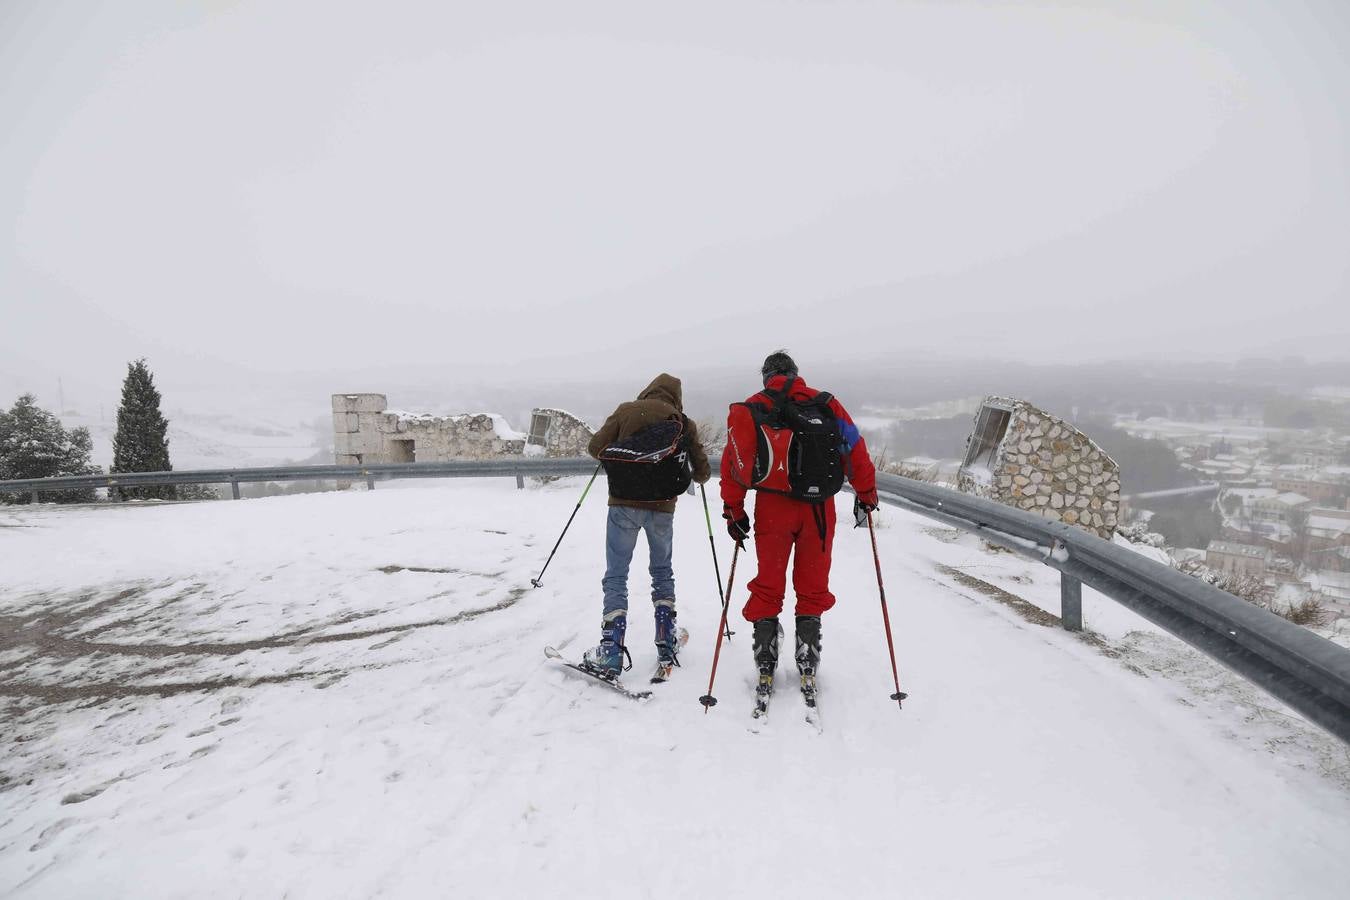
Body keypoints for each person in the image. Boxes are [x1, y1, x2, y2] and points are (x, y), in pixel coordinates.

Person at [720, 350, 878, 696]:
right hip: (818, 508)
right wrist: (866, 493)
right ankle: (807, 652)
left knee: (769, 580)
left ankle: (765, 654)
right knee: (812, 581)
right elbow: (854, 448)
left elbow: (733, 461)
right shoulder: (825, 403)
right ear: (795, 374)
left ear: (767, 377)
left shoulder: (755, 406)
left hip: (772, 506)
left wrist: (734, 510)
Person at [582, 373, 711, 677]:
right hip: (662, 508)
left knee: (616, 574)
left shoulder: (626, 410)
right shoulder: (682, 421)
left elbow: (595, 447)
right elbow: (702, 472)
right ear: (676, 397)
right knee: (662, 571)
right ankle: (666, 639)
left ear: (649, 390)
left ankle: (611, 650)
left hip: (623, 505)